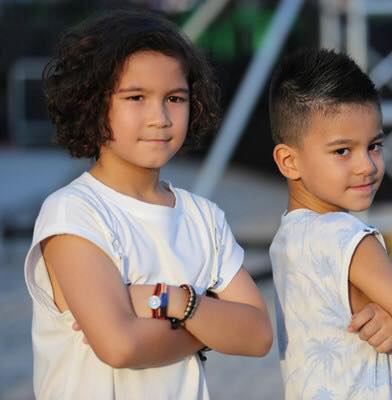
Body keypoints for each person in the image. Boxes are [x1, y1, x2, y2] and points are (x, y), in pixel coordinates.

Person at [23, 9, 272, 400]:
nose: (159, 118)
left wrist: (170, 300)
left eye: (175, 98)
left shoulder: (203, 217)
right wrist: (209, 324)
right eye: (136, 97)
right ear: (92, 102)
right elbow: (121, 346)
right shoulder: (74, 212)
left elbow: (258, 334)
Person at [268, 48, 392, 399]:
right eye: (342, 151)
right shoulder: (350, 238)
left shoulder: (286, 239)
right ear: (289, 161)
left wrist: (390, 320)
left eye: (374, 146)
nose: (367, 166)